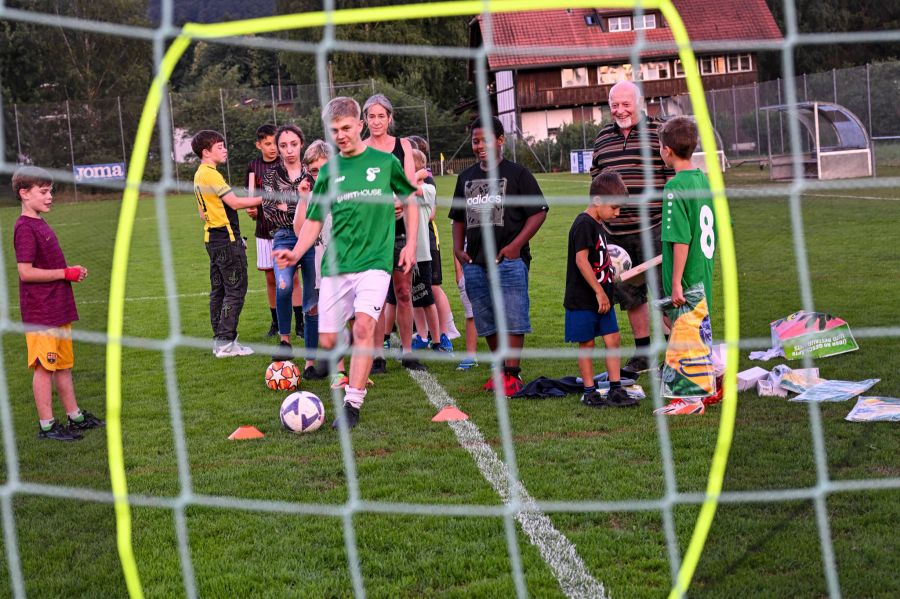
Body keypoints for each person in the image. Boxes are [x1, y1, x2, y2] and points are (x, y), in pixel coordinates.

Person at [274, 96, 418, 430]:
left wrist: (410, 244)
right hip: (337, 268)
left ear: (360, 126)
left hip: (375, 263)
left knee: (365, 326)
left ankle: (352, 404)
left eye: (346, 128)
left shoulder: (384, 164)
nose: (340, 135)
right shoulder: (328, 174)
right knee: (328, 341)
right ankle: (350, 361)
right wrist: (296, 253)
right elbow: (313, 220)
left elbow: (410, 199)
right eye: (334, 130)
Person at [449, 116, 548, 397]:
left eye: (486, 140)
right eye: (475, 141)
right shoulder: (465, 177)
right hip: (475, 261)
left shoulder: (518, 174)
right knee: (486, 319)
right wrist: (458, 248)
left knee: (513, 316)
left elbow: (539, 211)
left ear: (501, 140)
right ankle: (501, 369)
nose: (480, 146)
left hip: (508, 260)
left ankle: (512, 375)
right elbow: (457, 217)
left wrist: (516, 245)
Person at [12, 166, 105, 441]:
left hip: (59, 308)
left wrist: (71, 270)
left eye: (50, 190)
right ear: (24, 194)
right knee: (45, 367)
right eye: (43, 192)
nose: (50, 196)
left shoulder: (39, 222)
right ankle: (47, 426)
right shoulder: (24, 228)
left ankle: (74, 417)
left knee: (63, 365)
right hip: (41, 312)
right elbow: (25, 272)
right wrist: (66, 273)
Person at [590, 80, 673, 375]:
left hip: (656, 227)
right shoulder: (602, 138)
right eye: (615, 105)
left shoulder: (660, 132)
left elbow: (672, 178)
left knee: (666, 293)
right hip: (617, 234)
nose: (620, 110)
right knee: (630, 296)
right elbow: (597, 182)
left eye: (626, 104)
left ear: (640, 103)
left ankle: (676, 352)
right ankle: (643, 353)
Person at [656, 116, 718, 414]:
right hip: (703, 269)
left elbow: (681, 239)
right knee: (697, 330)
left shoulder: (675, 187)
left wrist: (677, 280)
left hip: (689, 274)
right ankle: (708, 387)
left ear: (666, 150)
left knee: (685, 332)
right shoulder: (703, 179)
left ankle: (690, 400)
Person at [361, 94, 425, 372]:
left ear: (390, 118)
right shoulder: (359, 148)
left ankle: (408, 352)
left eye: (381, 116)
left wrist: (400, 200)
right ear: (364, 119)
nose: (376, 121)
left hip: (400, 232)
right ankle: (377, 356)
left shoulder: (403, 146)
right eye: (371, 116)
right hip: (372, 233)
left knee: (403, 292)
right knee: (373, 296)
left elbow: (409, 185)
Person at [564, 171, 636, 408]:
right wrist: (599, 291)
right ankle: (590, 391)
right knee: (587, 344)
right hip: (584, 299)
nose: (617, 213)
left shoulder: (599, 224)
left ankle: (616, 389)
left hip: (603, 298)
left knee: (613, 339)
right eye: (614, 208)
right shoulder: (584, 223)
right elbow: (581, 261)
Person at [191, 129, 261, 357]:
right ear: (206, 152)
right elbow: (235, 203)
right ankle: (225, 342)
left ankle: (221, 341)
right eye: (219, 146)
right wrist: (267, 197)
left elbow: (204, 214)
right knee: (235, 291)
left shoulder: (199, 174)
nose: (225, 149)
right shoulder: (211, 174)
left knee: (219, 291)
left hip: (212, 239)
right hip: (225, 240)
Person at [261, 124, 319, 372]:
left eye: (293, 144)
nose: (289, 150)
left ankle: (311, 360)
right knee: (283, 285)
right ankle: (285, 340)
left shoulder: (313, 172)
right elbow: (270, 211)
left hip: (313, 237)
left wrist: (289, 206)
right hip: (284, 238)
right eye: (283, 145)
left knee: (311, 298)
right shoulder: (271, 176)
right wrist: (298, 207)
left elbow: (319, 208)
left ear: (301, 144)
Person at [245, 124, 301, 339]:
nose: (273, 148)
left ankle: (300, 322)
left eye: (274, 144)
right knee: (271, 279)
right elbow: (252, 197)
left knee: (293, 277)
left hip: (287, 230)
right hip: (263, 230)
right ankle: (276, 322)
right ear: (259, 145)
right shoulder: (253, 167)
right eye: (267, 144)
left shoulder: (285, 165)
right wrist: (253, 208)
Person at [407, 134, 457, 352]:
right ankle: (423, 334)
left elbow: (432, 213)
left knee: (433, 287)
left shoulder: (427, 181)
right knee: (415, 292)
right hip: (409, 243)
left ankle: (445, 332)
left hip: (427, 240)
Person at [406, 148, 444, 352]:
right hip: (404, 253)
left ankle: (437, 339)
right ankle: (421, 336)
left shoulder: (428, 190)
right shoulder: (401, 188)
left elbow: (411, 187)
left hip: (421, 254)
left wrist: (421, 175)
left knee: (427, 299)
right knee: (414, 300)